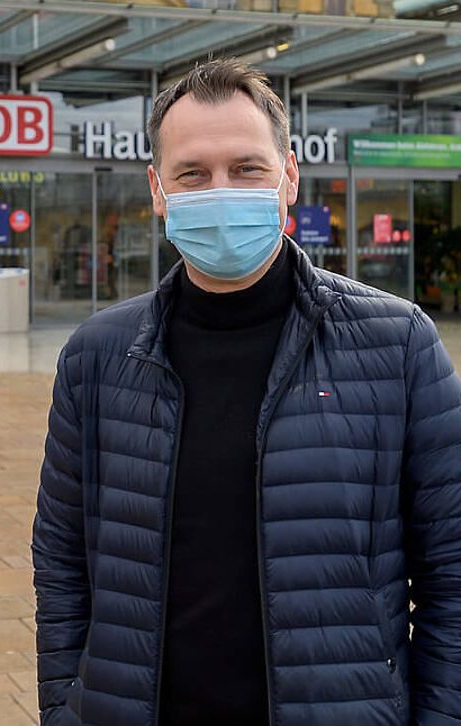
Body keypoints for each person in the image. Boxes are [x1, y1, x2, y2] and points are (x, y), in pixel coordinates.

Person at [33, 58, 461, 725]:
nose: (221, 191)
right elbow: (62, 560)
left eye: (246, 168)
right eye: (193, 174)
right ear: (157, 190)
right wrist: (65, 708)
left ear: (289, 176)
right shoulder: (96, 356)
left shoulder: (397, 344)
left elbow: (451, 570)